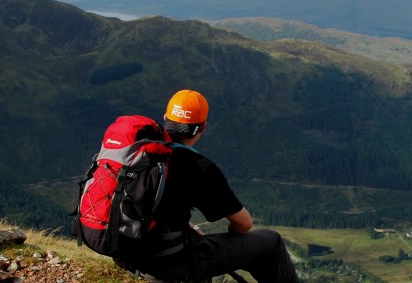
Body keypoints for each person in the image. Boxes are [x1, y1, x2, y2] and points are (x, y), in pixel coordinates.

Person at [112, 89, 299, 282]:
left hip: (125, 253)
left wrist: (184, 227)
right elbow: (244, 224)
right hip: (168, 264)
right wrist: (233, 240)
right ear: (203, 127)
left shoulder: (139, 152)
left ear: (165, 118)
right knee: (272, 242)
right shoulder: (199, 167)